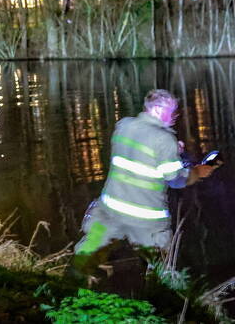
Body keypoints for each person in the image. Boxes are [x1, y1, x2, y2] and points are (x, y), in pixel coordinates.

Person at [70, 89, 219, 281]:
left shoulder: (123, 126)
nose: (174, 117)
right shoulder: (164, 139)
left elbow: (140, 150)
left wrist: (173, 151)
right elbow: (175, 179)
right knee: (160, 267)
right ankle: (163, 299)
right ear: (158, 109)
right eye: (172, 111)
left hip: (110, 210)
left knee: (86, 255)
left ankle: (66, 290)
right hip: (146, 219)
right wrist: (198, 172)